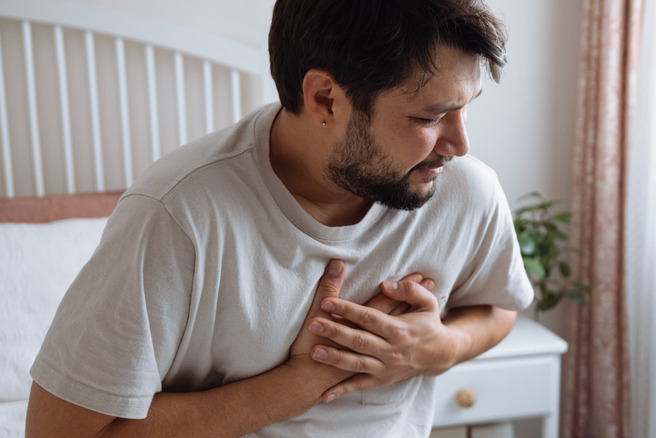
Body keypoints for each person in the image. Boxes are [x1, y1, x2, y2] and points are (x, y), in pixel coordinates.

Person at [25, 0, 534, 436]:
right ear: (324, 99)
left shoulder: (462, 188)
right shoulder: (177, 217)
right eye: (429, 117)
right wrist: (305, 380)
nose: (460, 144)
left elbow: (498, 307)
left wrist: (438, 348)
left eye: (466, 108)